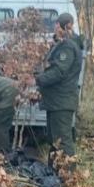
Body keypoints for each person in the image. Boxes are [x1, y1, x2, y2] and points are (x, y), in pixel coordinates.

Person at [35, 12, 83, 158]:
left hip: (62, 101)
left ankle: (67, 177)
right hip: (56, 101)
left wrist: (37, 80)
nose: (55, 29)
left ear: (60, 26)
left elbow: (59, 72)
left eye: (56, 26)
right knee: (55, 140)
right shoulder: (63, 44)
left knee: (62, 141)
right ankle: (55, 173)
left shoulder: (68, 46)